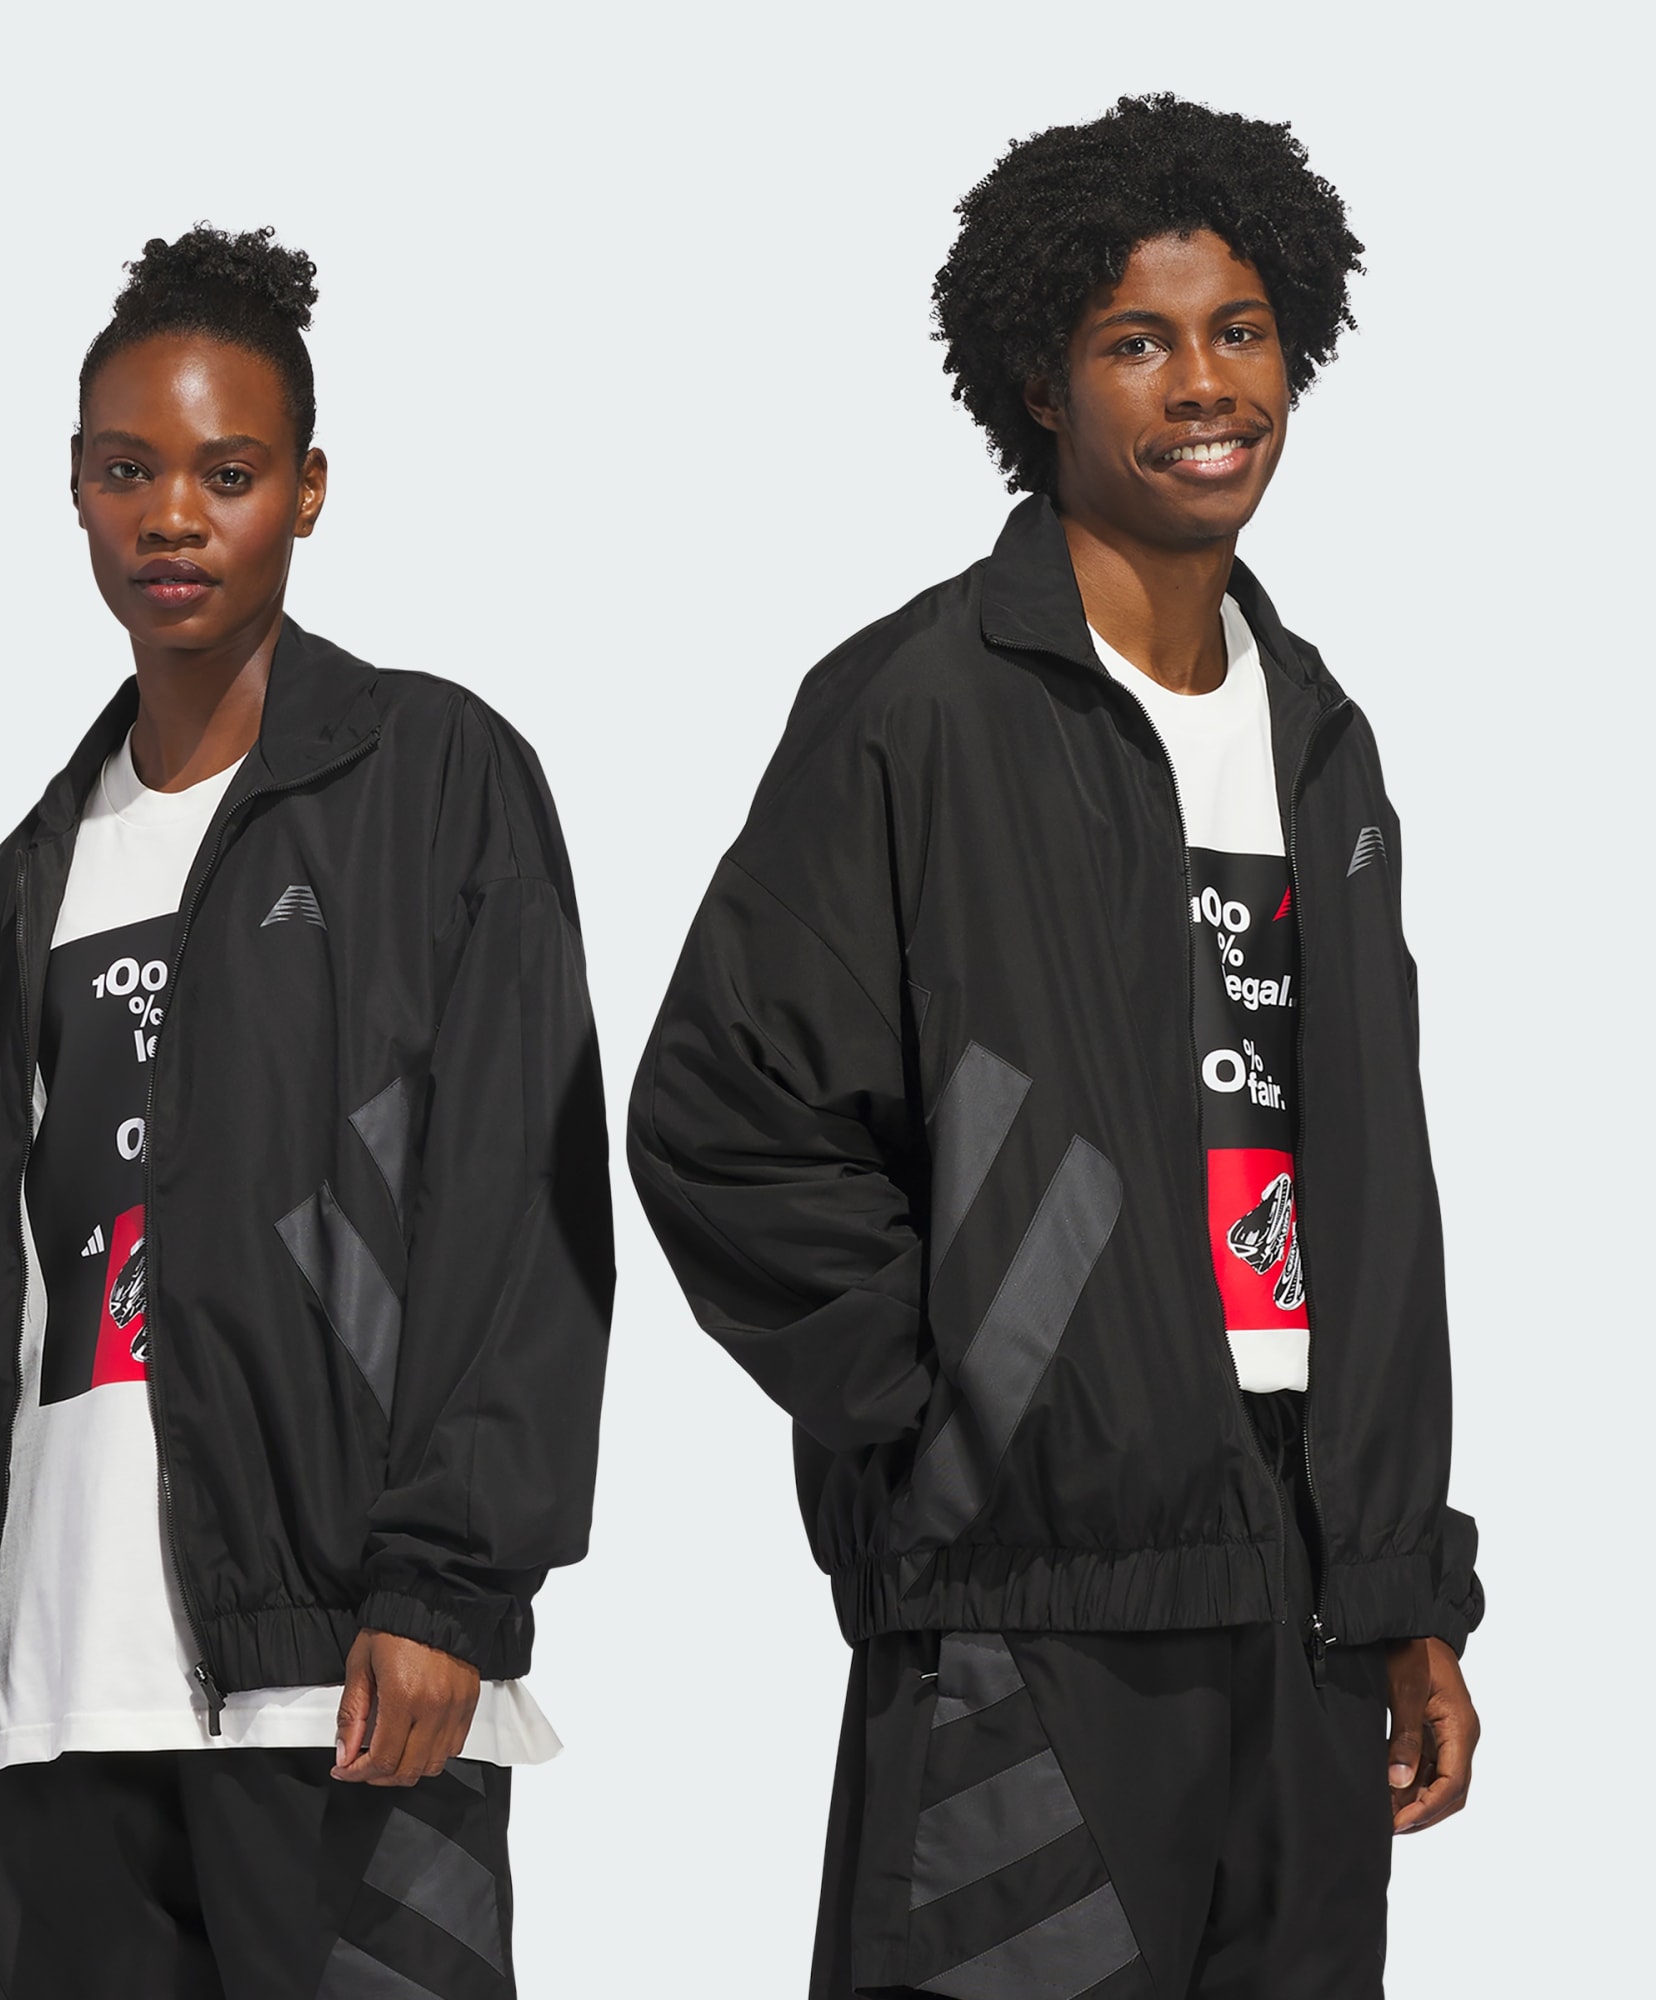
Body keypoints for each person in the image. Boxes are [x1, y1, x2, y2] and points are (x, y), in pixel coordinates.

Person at [628, 96, 1480, 1999]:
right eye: (1138, 341)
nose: (1206, 384)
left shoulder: (1320, 736)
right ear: (1041, 381)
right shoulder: (921, 705)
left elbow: (1373, 1186)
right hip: (1033, 1613)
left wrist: (1407, 1586)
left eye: (1240, 330)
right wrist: (960, 1403)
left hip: (1311, 1614)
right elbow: (720, 1112)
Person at [0, 225, 613, 2000]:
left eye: (228, 473)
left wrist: (444, 1592)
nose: (172, 517)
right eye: (129, 472)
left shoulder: (433, 778)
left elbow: (522, 1207)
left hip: (335, 1681)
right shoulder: (35, 866)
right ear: (75, 488)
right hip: (45, 1705)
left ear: (309, 490)